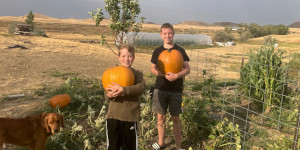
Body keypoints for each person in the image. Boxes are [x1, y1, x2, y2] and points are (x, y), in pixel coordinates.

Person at [150, 23, 190, 150]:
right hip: (160, 88)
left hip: (176, 90)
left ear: (173, 33)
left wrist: (177, 76)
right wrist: (160, 74)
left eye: (170, 33)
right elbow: (152, 68)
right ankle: (161, 143)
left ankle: (178, 146)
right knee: (160, 117)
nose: (167, 36)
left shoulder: (180, 50)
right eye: (165, 33)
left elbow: (187, 69)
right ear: (161, 35)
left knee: (175, 118)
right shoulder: (157, 51)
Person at [104, 44, 146, 150]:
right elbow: (106, 92)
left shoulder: (136, 74)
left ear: (134, 58)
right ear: (119, 57)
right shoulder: (112, 73)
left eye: (130, 56)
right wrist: (109, 95)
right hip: (113, 115)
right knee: (113, 146)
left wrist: (123, 89)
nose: (126, 59)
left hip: (130, 116)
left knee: (129, 146)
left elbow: (141, 88)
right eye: (123, 56)